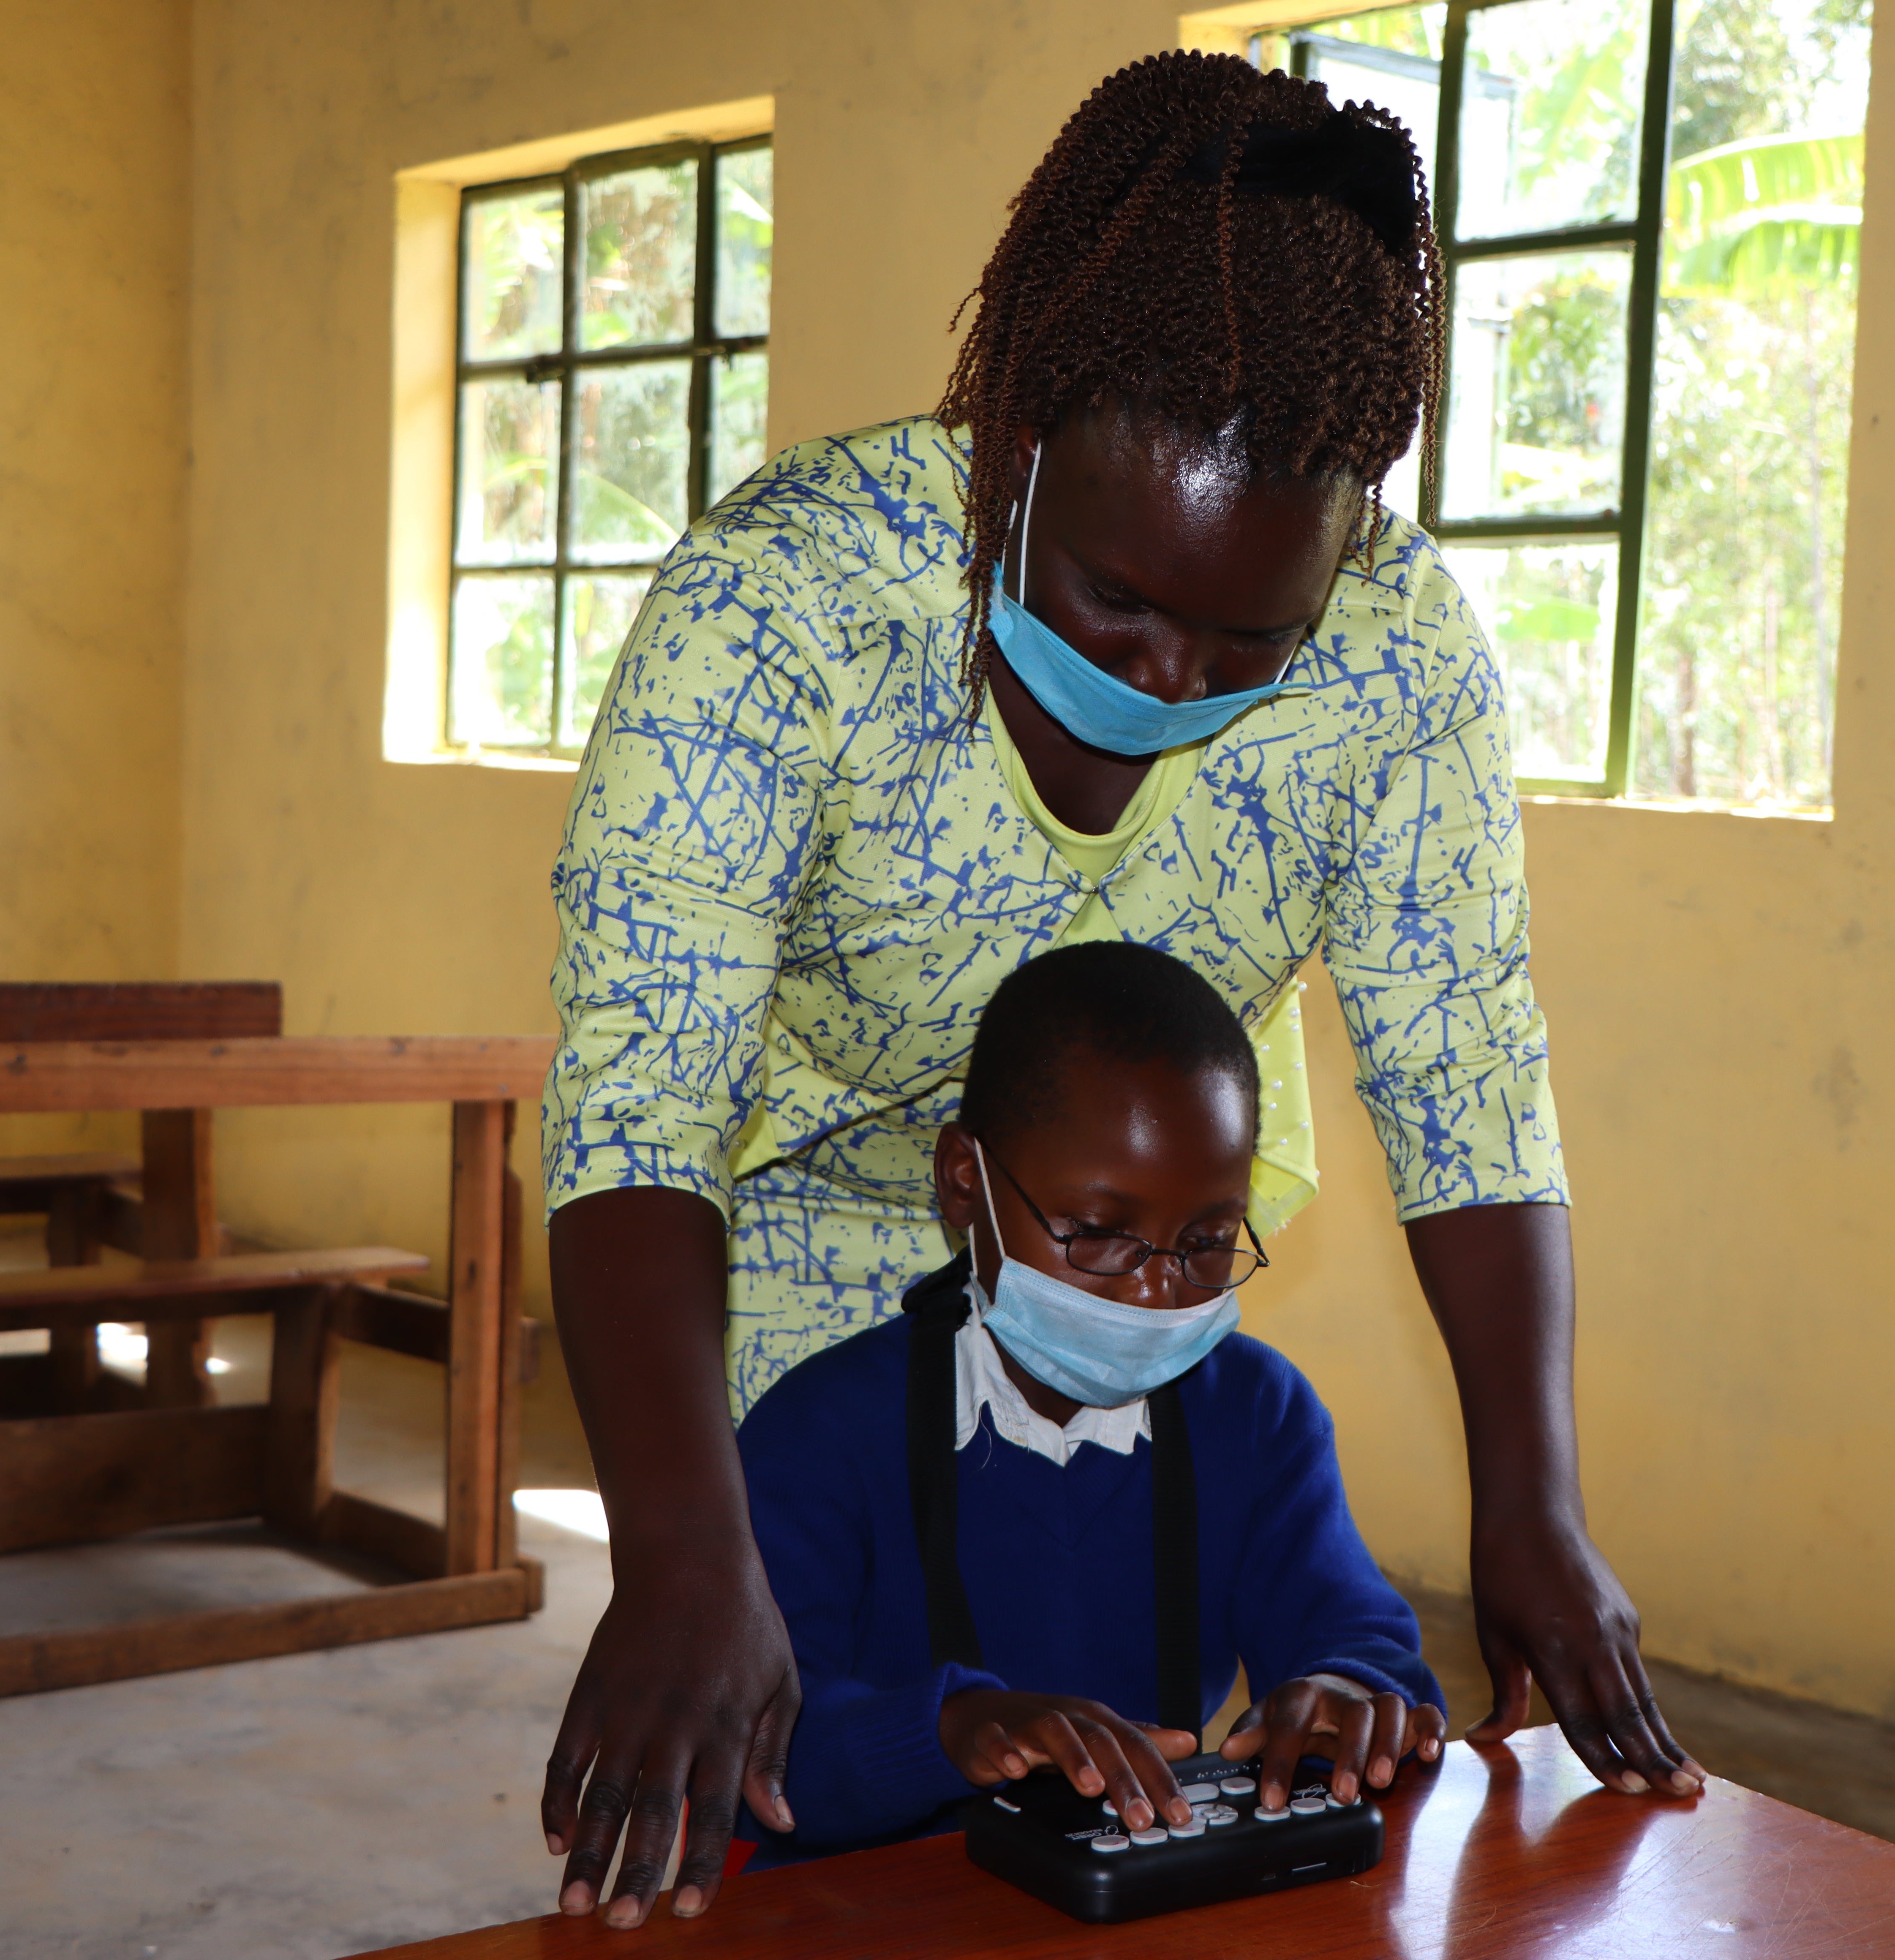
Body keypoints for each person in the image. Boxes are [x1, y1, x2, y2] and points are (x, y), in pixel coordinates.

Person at [539, 49, 1699, 1929]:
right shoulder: (785, 609)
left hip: (1128, 1243)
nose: (1170, 681)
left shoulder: (1401, 667)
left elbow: (1469, 1086)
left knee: (1114, 1790)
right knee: (825, 1761)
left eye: (1253, 635)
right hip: (768, 1240)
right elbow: (637, 1101)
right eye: (1115, 603)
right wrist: (681, 1550)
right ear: (1010, 436)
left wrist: (1534, 1505)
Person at [732, 942, 1445, 1867]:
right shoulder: (819, 1434)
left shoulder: (1258, 1417)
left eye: (1207, 1241)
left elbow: (1360, 1633)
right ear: (964, 1182)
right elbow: (762, 1758)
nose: (1157, 1291)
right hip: (875, 1908)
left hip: (1134, 1895)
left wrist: (1345, 1691)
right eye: (1100, 1234)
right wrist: (949, 1730)